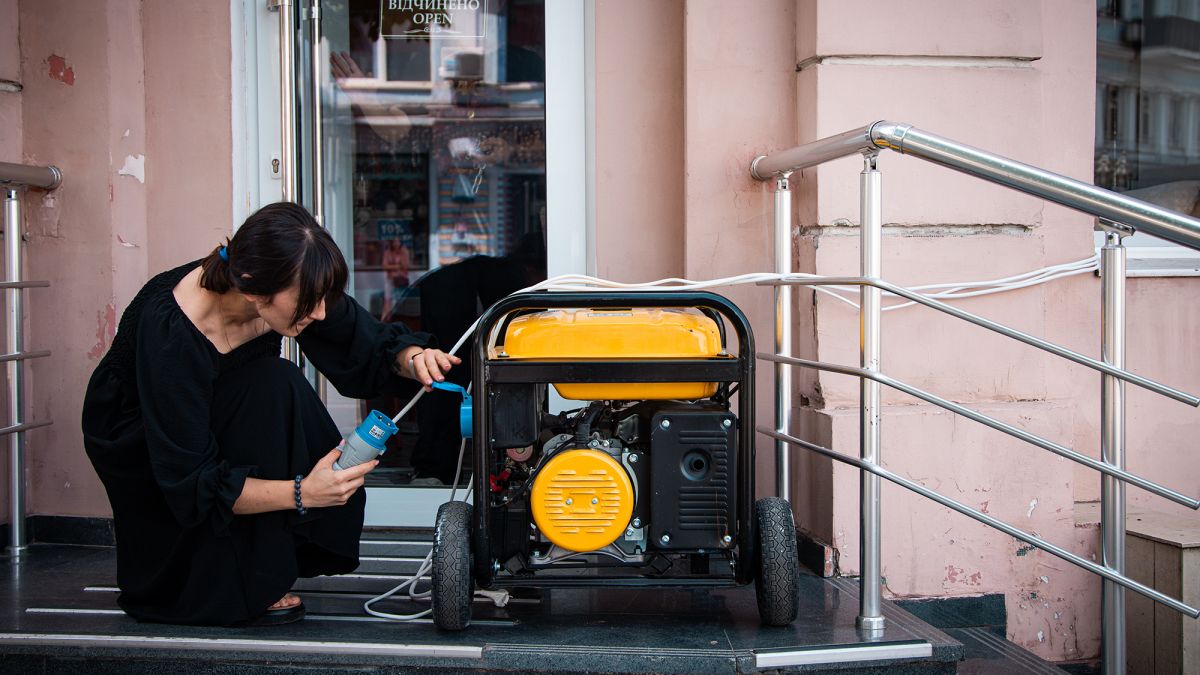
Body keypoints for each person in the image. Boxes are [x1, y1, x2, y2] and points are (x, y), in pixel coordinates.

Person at [81, 202, 460, 627]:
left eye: (323, 299)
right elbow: (190, 479)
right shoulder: (174, 332)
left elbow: (363, 340)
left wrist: (413, 358)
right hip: (140, 431)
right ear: (252, 290)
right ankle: (207, 583)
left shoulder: (288, 286)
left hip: (220, 401)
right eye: (309, 303)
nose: (319, 313)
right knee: (268, 388)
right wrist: (304, 493)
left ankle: (263, 565)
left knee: (274, 383)